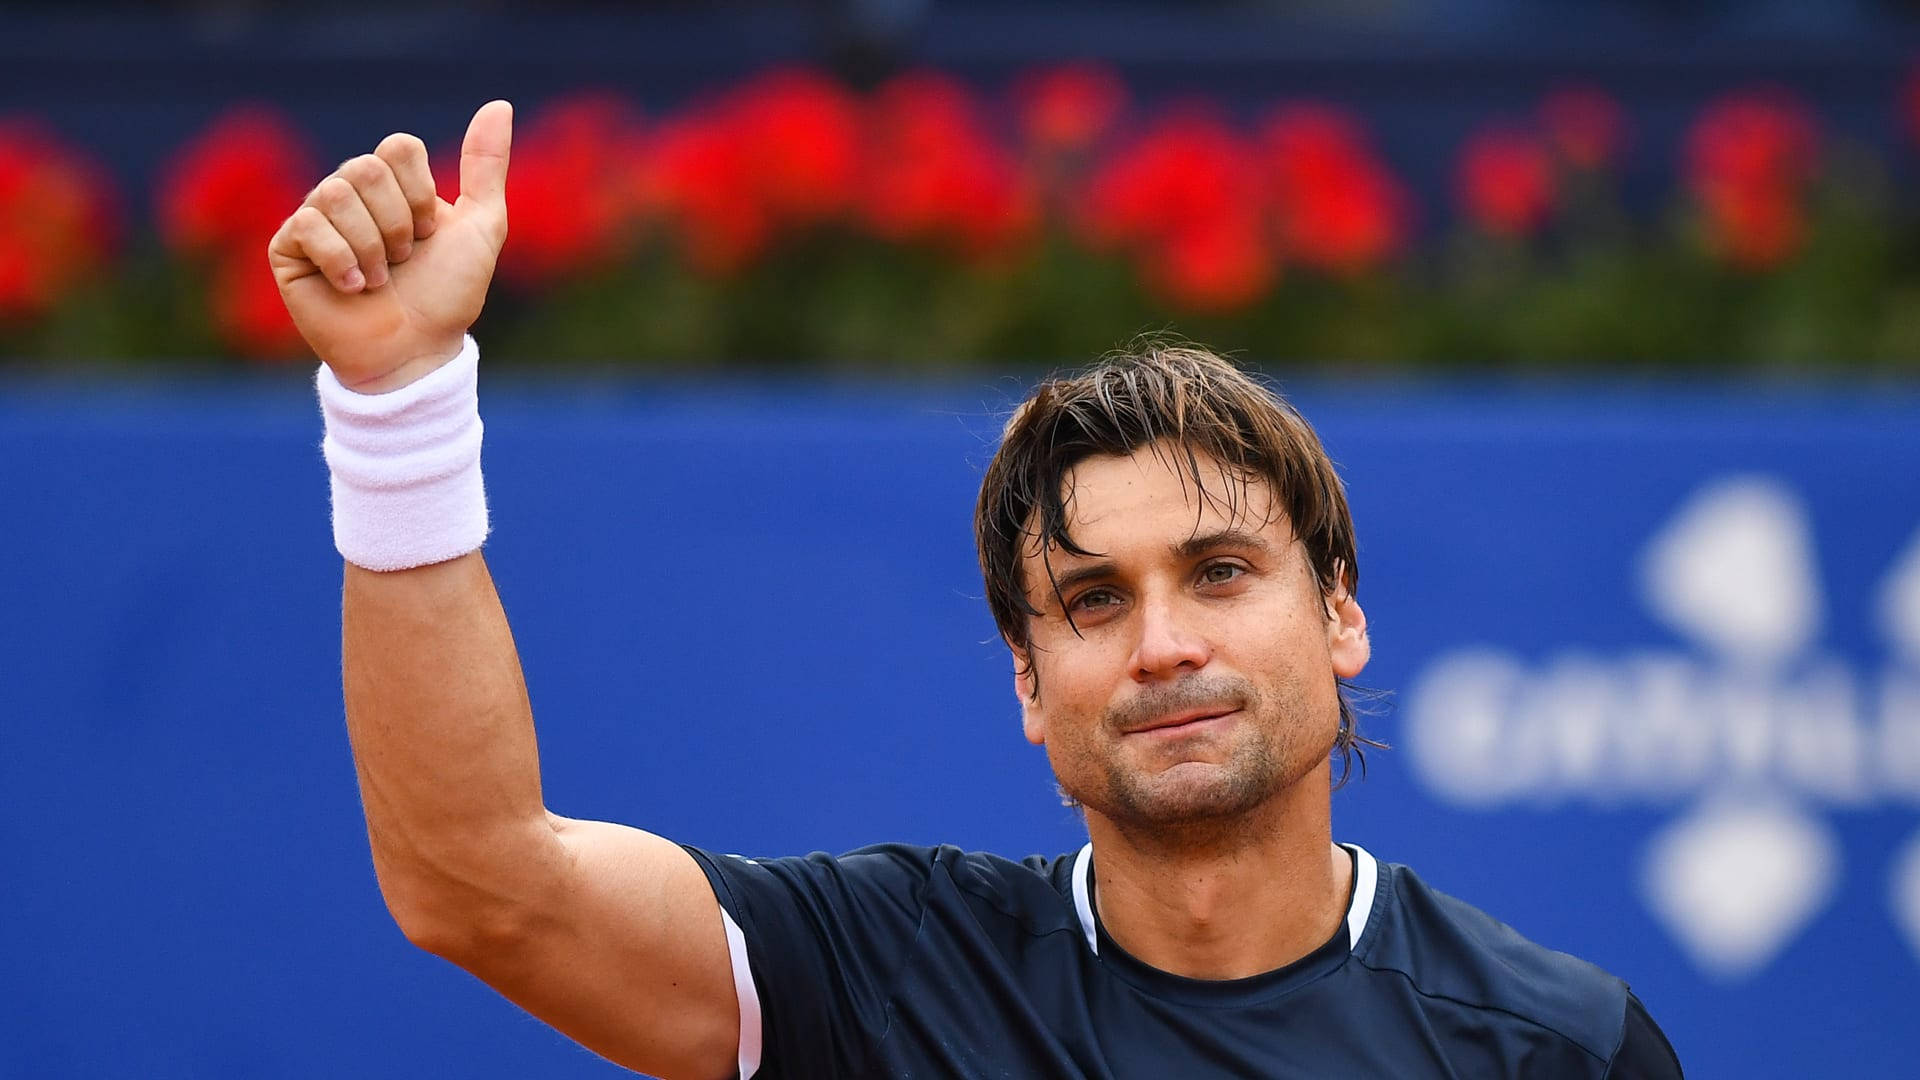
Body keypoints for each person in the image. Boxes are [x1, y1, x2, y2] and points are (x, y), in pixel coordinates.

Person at [271, 101, 1684, 1079]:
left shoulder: (1554, 1048)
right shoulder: (881, 980)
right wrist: (396, 403)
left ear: (1340, 616)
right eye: (1093, 602)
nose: (1165, 645)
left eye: (1222, 572)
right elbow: (480, 886)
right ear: (1026, 682)